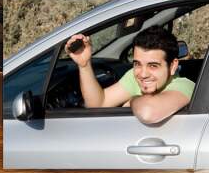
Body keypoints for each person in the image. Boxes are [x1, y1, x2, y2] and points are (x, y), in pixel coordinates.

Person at [65, 25, 195, 124]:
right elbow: (97, 104)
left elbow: (148, 112)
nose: (143, 74)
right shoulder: (134, 76)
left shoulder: (184, 86)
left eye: (153, 66)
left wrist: (132, 100)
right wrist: (84, 65)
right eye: (137, 64)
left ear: (172, 66)